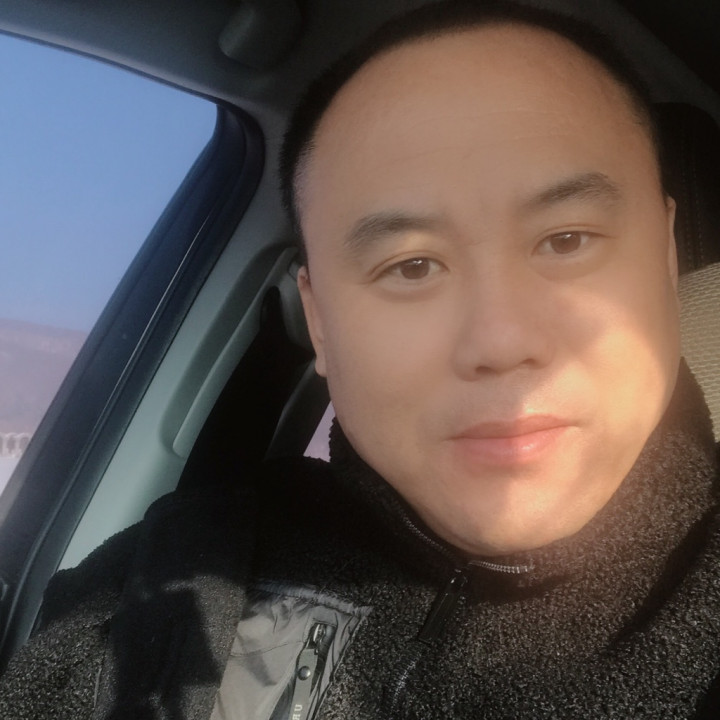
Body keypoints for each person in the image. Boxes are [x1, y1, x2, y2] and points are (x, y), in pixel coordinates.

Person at [3, 1, 720, 718]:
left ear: (664, 255)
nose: (501, 342)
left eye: (566, 240)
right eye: (412, 266)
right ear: (319, 322)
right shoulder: (159, 579)